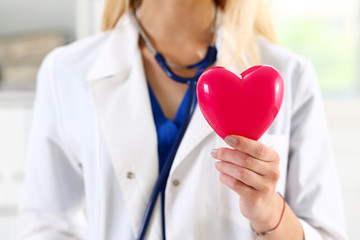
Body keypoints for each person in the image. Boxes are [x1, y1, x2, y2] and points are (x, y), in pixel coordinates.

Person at [19, 0, 348, 239]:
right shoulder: (65, 72)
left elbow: (326, 233)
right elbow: (46, 225)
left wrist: (267, 212)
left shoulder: (289, 75)